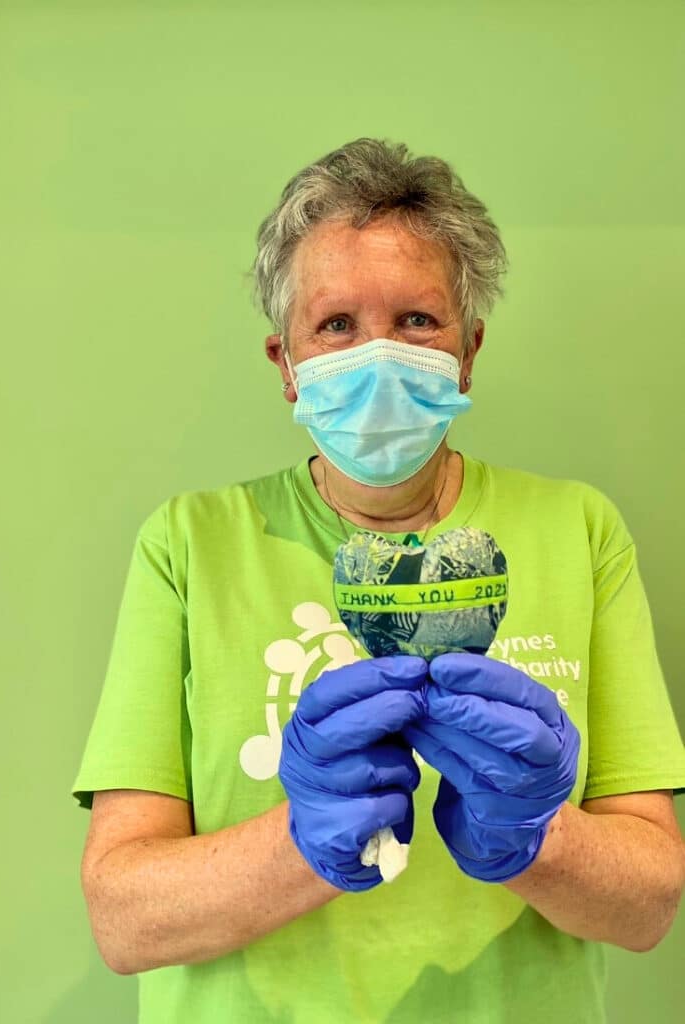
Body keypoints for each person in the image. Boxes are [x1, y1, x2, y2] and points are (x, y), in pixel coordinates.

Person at [71, 138, 685, 1024]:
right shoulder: (190, 544)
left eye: (416, 322)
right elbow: (123, 922)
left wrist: (535, 836)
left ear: (468, 352)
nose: (379, 358)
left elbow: (651, 906)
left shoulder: (578, 531)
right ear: (286, 364)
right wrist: (302, 835)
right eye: (335, 326)